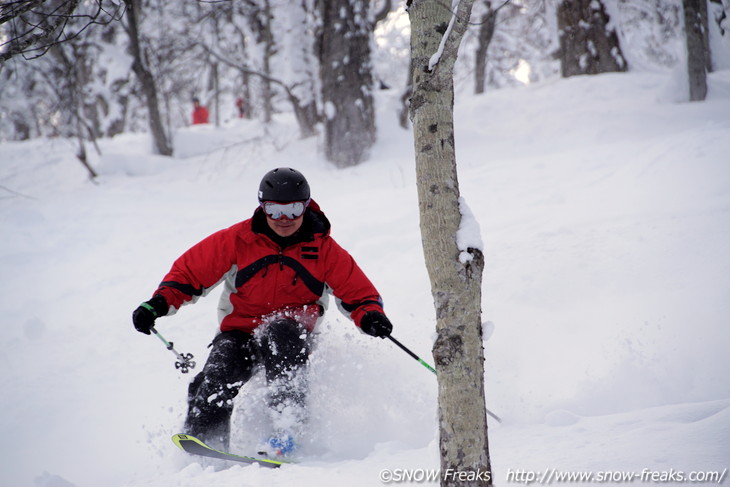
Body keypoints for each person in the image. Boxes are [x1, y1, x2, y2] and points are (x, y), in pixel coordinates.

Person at [132, 167, 393, 456]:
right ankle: (205, 443)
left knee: (282, 334)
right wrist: (157, 303)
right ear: (262, 207)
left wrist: (371, 316)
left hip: (292, 330)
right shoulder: (237, 240)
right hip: (240, 330)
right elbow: (189, 273)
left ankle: (287, 433)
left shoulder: (323, 249)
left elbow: (359, 294)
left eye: (293, 209)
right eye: (274, 210)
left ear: (305, 206)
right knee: (217, 375)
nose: (284, 219)